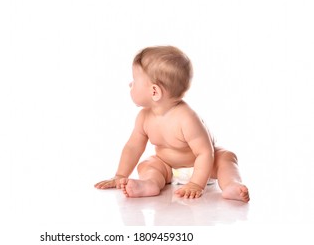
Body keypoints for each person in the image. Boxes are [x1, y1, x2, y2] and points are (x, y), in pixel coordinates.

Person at [94, 46, 249, 202]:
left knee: (226, 158)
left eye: (134, 81)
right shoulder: (143, 118)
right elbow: (133, 147)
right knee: (148, 164)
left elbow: (205, 153)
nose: (130, 84)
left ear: (154, 92)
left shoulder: (187, 118)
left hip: (203, 168)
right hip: (168, 167)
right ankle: (150, 183)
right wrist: (120, 175)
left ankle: (231, 184)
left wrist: (196, 183)